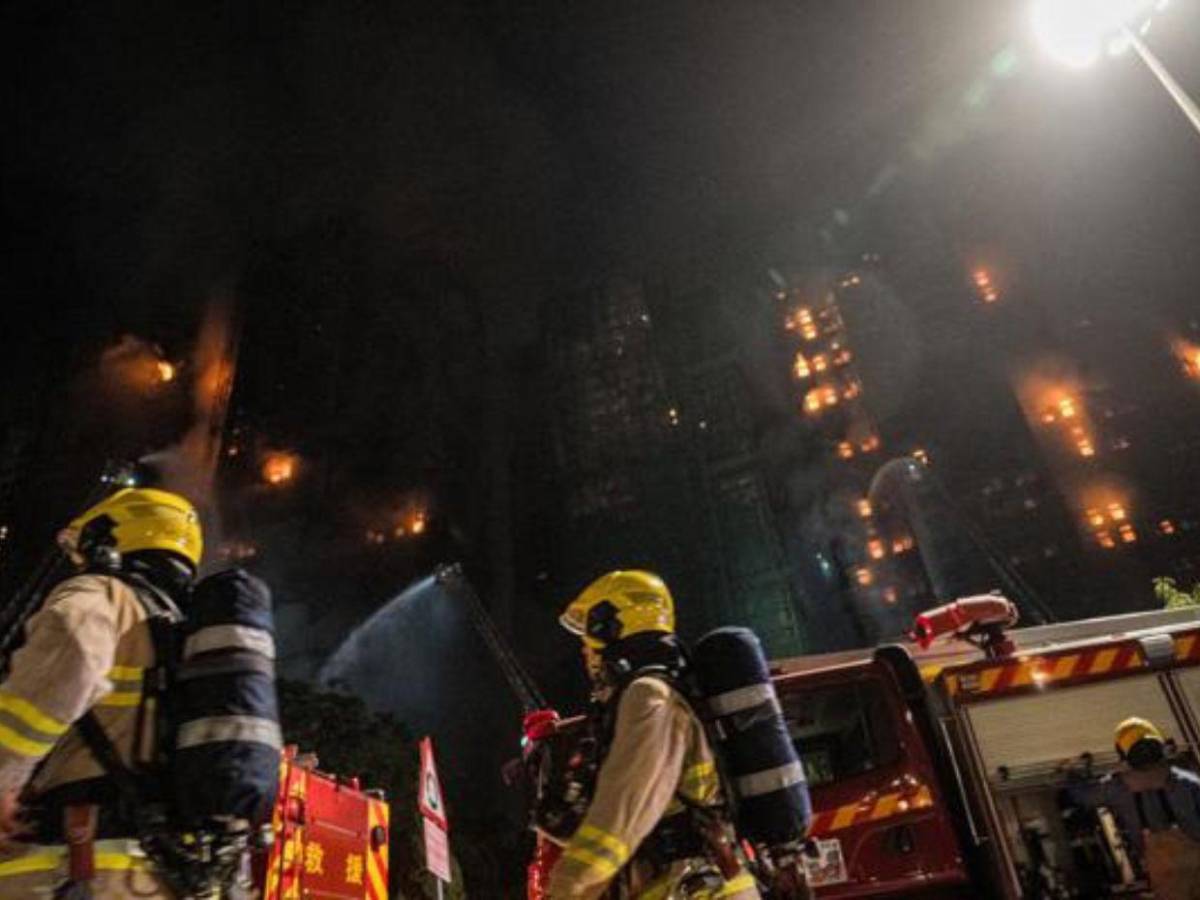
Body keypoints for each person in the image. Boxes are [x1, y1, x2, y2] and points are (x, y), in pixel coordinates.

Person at [0, 487, 202, 898]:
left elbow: (70, 654)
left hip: (79, 864)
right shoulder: (189, 636)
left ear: (111, 541)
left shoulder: (103, 594)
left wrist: (5, 777)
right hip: (167, 874)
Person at [546, 570, 760, 900]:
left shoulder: (648, 697)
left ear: (612, 626)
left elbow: (623, 811)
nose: (585, 652)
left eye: (588, 637)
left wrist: (565, 890)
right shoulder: (647, 697)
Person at [1070, 717, 1200, 899]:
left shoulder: (1118, 787)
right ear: (1160, 746)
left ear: (1123, 754)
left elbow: (1083, 796)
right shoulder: (1187, 780)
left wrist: (1076, 772)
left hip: (1164, 872)